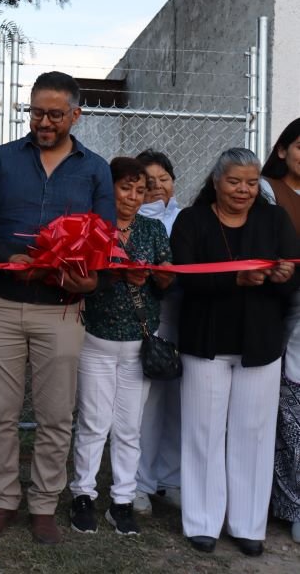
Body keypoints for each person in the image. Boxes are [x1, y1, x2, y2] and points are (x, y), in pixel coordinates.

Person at [0, 71, 115, 544]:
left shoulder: (95, 169)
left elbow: (104, 237)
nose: (43, 122)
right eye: (35, 112)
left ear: (75, 114)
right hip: (1, 305)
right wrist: (9, 255)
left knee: (55, 415)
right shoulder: (4, 159)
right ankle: (4, 500)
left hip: (62, 310)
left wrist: (88, 272)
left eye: (53, 113)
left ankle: (44, 505)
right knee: (0, 411)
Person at [171, 148, 299, 556]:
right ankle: (202, 522)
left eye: (251, 182)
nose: (244, 190)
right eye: (234, 181)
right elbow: (183, 280)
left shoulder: (275, 219)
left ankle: (248, 524)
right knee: (202, 433)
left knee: (254, 435)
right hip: (205, 343)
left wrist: (283, 276)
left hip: (260, 345)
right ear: (215, 180)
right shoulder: (192, 221)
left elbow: (291, 285)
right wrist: (235, 281)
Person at [68, 157, 174, 535]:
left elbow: (168, 281)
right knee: (94, 423)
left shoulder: (153, 230)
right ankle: (83, 494)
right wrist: (118, 274)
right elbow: (82, 276)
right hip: (95, 340)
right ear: (109, 187)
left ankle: (122, 500)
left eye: (140, 190)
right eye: (125, 188)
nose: (132, 197)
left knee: (129, 428)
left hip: (138, 345)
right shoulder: (94, 228)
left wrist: (158, 276)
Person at [133, 149, 183, 515]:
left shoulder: (188, 218)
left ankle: (172, 480)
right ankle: (140, 483)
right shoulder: (129, 223)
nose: (156, 188)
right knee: (145, 405)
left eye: (163, 179)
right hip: (146, 321)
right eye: (147, 182)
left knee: (179, 404)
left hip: (185, 320)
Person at [259, 118, 300, 543]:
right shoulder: (267, 189)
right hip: (276, 309)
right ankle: (283, 501)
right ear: (284, 149)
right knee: (284, 414)